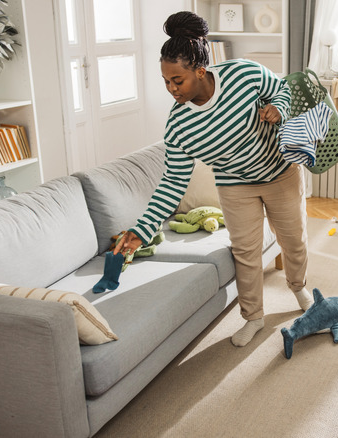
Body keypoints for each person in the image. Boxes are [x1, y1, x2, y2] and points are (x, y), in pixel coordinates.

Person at [113, 11, 313, 347]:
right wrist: (141, 231)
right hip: (235, 185)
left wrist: (278, 106)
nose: (171, 89)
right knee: (245, 253)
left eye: (178, 80)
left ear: (201, 71)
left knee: (293, 241)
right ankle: (254, 317)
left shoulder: (243, 74)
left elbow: (283, 90)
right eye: (166, 81)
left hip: (280, 172)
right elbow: (172, 182)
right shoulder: (178, 125)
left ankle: (299, 287)